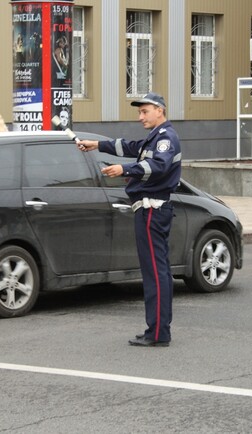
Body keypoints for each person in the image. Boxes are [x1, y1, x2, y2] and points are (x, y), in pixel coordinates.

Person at [78, 92, 181, 347]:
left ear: (160, 110)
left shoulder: (166, 138)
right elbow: (131, 147)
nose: (140, 117)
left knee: (155, 273)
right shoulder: (156, 137)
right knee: (158, 271)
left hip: (151, 210)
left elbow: (158, 166)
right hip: (152, 210)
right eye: (139, 112)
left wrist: (124, 169)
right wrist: (97, 145)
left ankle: (157, 333)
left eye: (145, 112)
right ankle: (158, 329)